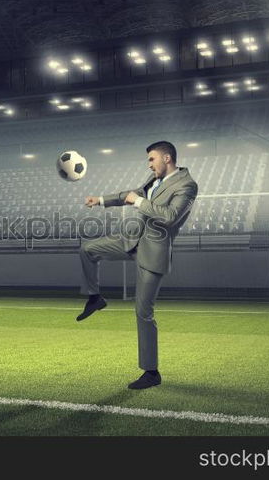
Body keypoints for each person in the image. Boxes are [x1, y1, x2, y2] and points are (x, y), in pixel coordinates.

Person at [79, 141, 198, 390]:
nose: (149, 164)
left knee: (143, 313)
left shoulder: (187, 185)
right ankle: (94, 298)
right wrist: (100, 200)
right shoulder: (154, 180)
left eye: (152, 159)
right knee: (88, 249)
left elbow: (169, 217)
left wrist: (138, 202)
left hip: (153, 253)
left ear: (167, 158)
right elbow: (128, 195)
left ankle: (151, 372)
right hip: (130, 240)